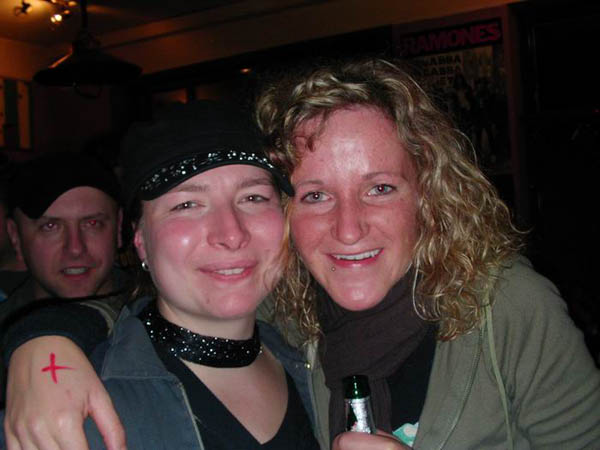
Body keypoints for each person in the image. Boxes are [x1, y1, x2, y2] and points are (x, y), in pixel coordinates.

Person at [4, 59, 600, 449]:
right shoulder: (291, 316)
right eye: (315, 194)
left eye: (380, 188)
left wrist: (39, 334)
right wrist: (43, 339)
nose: (348, 227)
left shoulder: (507, 309)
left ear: (429, 194)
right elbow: (163, 313)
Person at [1, 100, 322, 449]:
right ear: (139, 239)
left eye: (253, 197)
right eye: (187, 204)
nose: (231, 234)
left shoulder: (312, 359)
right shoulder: (71, 413)